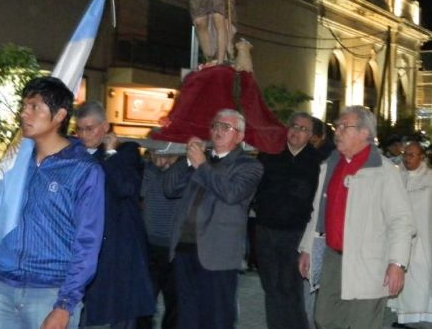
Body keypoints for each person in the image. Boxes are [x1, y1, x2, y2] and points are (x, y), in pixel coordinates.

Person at [0, 77, 105, 329]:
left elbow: (88, 242)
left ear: (59, 115)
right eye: (24, 105)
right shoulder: (15, 163)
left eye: (34, 106)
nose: (24, 112)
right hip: (3, 288)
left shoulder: (83, 170)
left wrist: (65, 304)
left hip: (51, 292)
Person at [298, 106, 415, 329]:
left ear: (364, 133)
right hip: (333, 258)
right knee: (324, 318)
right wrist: (307, 248)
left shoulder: (384, 171)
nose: (337, 131)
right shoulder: (331, 164)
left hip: (368, 261)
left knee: (363, 323)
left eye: (345, 126)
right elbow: (317, 212)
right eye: (337, 126)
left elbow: (401, 220)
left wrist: (397, 263)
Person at [164, 109, 263, 328]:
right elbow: (169, 188)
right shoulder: (200, 161)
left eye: (226, 127)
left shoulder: (249, 166)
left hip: (217, 254)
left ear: (239, 136)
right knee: (186, 317)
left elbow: (231, 193)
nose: (218, 131)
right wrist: (188, 162)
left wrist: (201, 165)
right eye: (215, 126)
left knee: (217, 318)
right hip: (184, 249)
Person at [75, 102, 156, 329]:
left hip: (119, 248)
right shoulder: (73, 153)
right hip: (86, 246)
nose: (83, 135)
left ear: (105, 127)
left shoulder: (125, 151)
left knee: (122, 313)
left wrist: (110, 154)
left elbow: (126, 188)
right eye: (79, 129)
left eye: (89, 129)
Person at [254, 112, 322, 329]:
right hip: (266, 232)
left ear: (311, 135)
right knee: (271, 288)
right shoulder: (269, 155)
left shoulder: (317, 163)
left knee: (291, 289)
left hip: (296, 235)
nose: (297, 132)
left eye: (303, 129)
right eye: (294, 126)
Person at [388, 141, 432, 328]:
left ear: (421, 157)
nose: (407, 158)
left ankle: (414, 318)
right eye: (405, 154)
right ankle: (403, 317)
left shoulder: (430, 178)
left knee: (418, 276)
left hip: (421, 238)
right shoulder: (396, 174)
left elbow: (422, 205)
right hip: (399, 237)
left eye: (412, 155)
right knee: (401, 276)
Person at [138, 151, 180, 329]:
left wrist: (171, 167)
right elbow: (142, 192)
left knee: (175, 302)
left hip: (174, 248)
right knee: (145, 298)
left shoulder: (181, 173)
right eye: (154, 153)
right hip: (149, 245)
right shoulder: (147, 171)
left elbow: (172, 190)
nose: (159, 157)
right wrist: (154, 168)